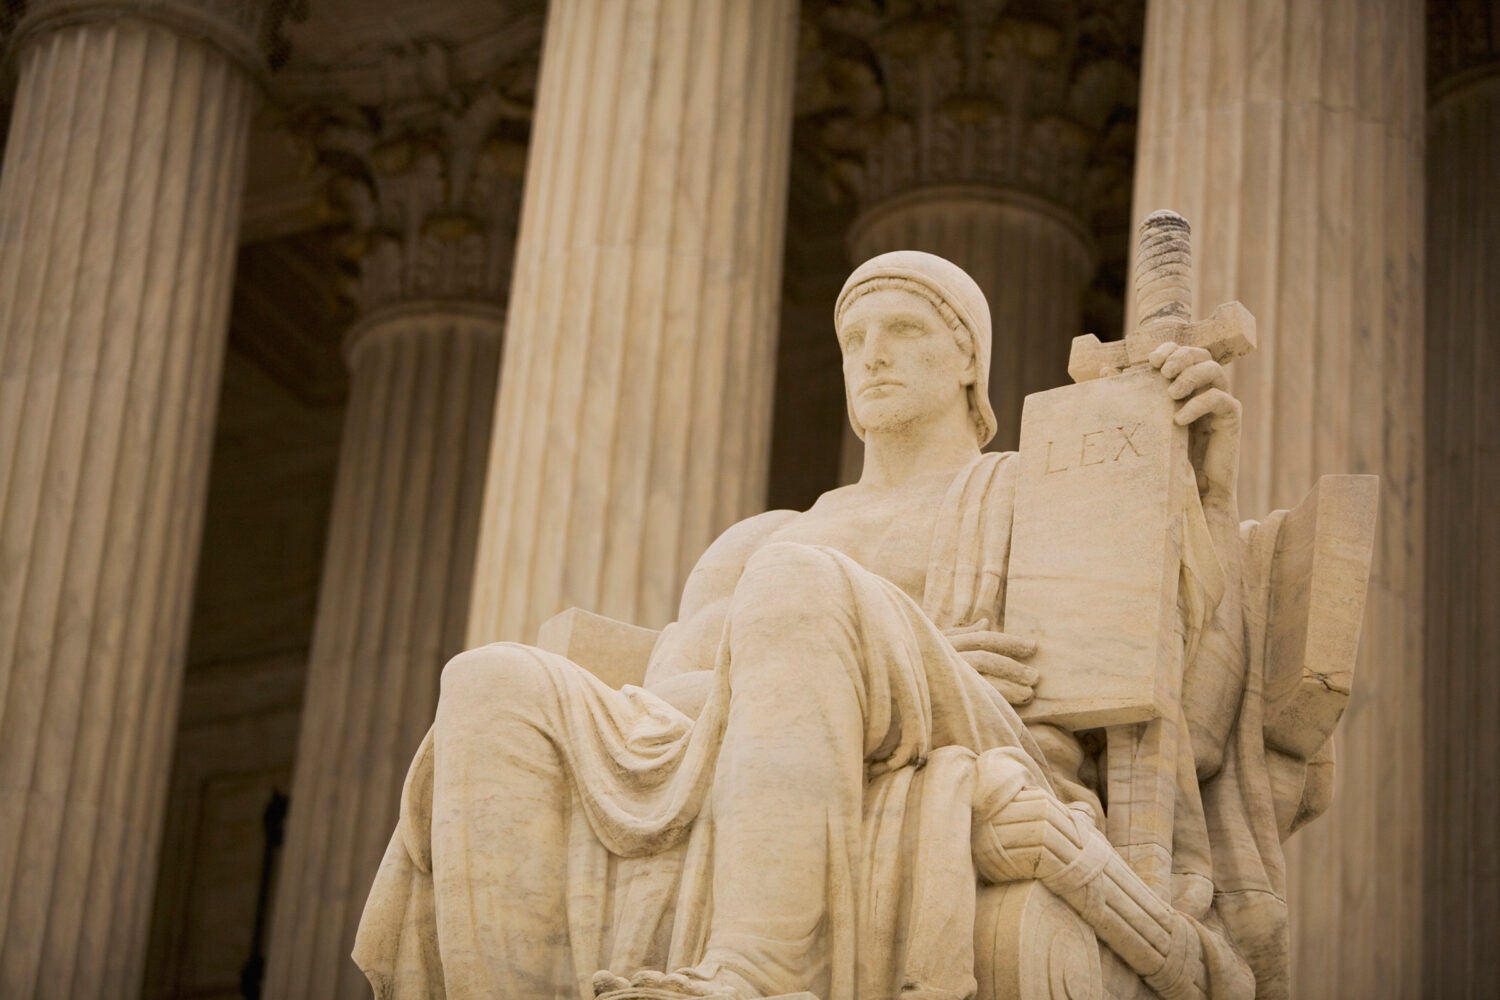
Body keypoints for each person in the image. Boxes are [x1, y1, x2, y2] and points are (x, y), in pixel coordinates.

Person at [353, 251, 1247, 1000]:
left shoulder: (1027, 490)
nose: (873, 356)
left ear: (968, 360)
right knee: (488, 679)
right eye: (854, 339)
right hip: (745, 740)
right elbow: (674, 699)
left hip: (978, 729)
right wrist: (842, 663)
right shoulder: (765, 537)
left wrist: (1196, 485)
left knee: (799, 585)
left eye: (905, 330)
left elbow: (1174, 666)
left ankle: (759, 971)